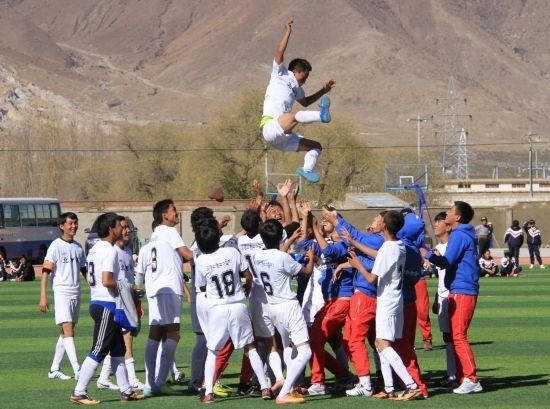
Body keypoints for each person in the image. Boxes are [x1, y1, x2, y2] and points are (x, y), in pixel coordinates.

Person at [194, 219, 272, 403]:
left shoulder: (201, 260)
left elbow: (202, 287)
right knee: (250, 347)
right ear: (217, 238)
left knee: (213, 351)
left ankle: (208, 392)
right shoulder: (232, 252)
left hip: (217, 308)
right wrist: (247, 287)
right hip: (237, 304)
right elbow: (247, 274)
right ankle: (264, 387)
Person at [348, 210, 422, 401]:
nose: (378, 222)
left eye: (381, 220)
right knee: (380, 343)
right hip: (395, 299)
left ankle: (411, 385)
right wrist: (354, 242)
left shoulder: (389, 247)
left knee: (382, 344)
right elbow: (378, 254)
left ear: (384, 226)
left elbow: (372, 279)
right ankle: (389, 387)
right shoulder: (398, 245)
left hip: (387, 301)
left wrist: (358, 265)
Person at [71, 213, 144, 404]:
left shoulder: (95, 249)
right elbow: (107, 281)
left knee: (118, 349)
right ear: (111, 229)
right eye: (120, 226)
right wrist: (128, 287)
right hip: (107, 305)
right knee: (99, 349)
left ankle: (126, 390)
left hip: (100, 302)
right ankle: (79, 391)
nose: (123, 229)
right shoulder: (110, 250)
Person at [260, 20, 335, 184]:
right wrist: (288, 32)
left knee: (316, 146)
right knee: (294, 116)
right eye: (304, 77)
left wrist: (323, 90)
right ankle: (321, 115)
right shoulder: (280, 73)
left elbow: (306, 102)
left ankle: (306, 170)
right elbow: (280, 51)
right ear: (295, 71)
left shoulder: (298, 89)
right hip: (271, 126)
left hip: (283, 138)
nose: (305, 81)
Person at [249, 219, 315, 404]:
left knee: (287, 347)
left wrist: (288, 241)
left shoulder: (256, 255)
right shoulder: (283, 257)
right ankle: (284, 393)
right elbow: (306, 272)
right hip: (288, 305)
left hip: (272, 307)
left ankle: (289, 387)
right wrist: (311, 257)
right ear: (281, 237)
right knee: (305, 351)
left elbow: (277, 256)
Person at [421, 201, 482, 394]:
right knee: (456, 336)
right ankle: (464, 377)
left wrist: (427, 255)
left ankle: (471, 378)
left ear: (457, 217)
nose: (446, 213)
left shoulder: (459, 235)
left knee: (458, 336)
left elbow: (446, 262)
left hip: (463, 289)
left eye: (450, 211)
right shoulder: (463, 234)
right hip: (461, 288)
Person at [96, 217, 144, 391]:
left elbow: (129, 279)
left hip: (127, 300)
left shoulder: (127, 251)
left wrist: (136, 297)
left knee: (117, 342)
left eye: (128, 227)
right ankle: (131, 379)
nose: (127, 230)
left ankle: (103, 378)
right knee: (125, 338)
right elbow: (111, 280)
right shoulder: (113, 251)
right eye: (123, 227)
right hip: (117, 301)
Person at [39, 212, 87, 381]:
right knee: (68, 330)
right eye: (70, 223)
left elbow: (84, 270)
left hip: (76, 291)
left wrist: (95, 288)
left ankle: (54, 369)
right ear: (62, 226)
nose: (74, 226)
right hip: (62, 292)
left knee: (66, 332)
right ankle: (78, 370)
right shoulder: (55, 246)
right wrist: (43, 296)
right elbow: (45, 272)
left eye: (75, 223)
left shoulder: (78, 247)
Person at [430, 211, 457, 389]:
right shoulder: (439, 247)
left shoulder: (452, 246)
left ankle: (455, 374)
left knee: (453, 337)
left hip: (452, 296)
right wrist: (436, 298)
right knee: (447, 336)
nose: (435, 225)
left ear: (447, 226)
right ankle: (452, 372)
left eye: (438, 222)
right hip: (442, 296)